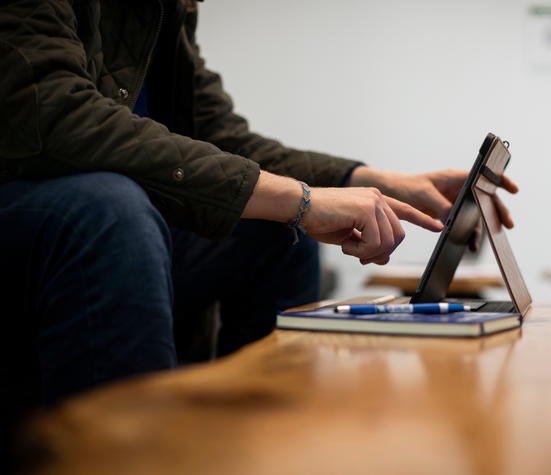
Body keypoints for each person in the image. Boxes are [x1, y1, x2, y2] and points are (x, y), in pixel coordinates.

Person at [0, 0, 518, 419]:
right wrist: (302, 201)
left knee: (276, 232)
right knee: (112, 212)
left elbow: (223, 138)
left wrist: (368, 181)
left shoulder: (166, 11)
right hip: (52, 218)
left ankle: (264, 442)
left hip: (109, 222)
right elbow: (52, 109)